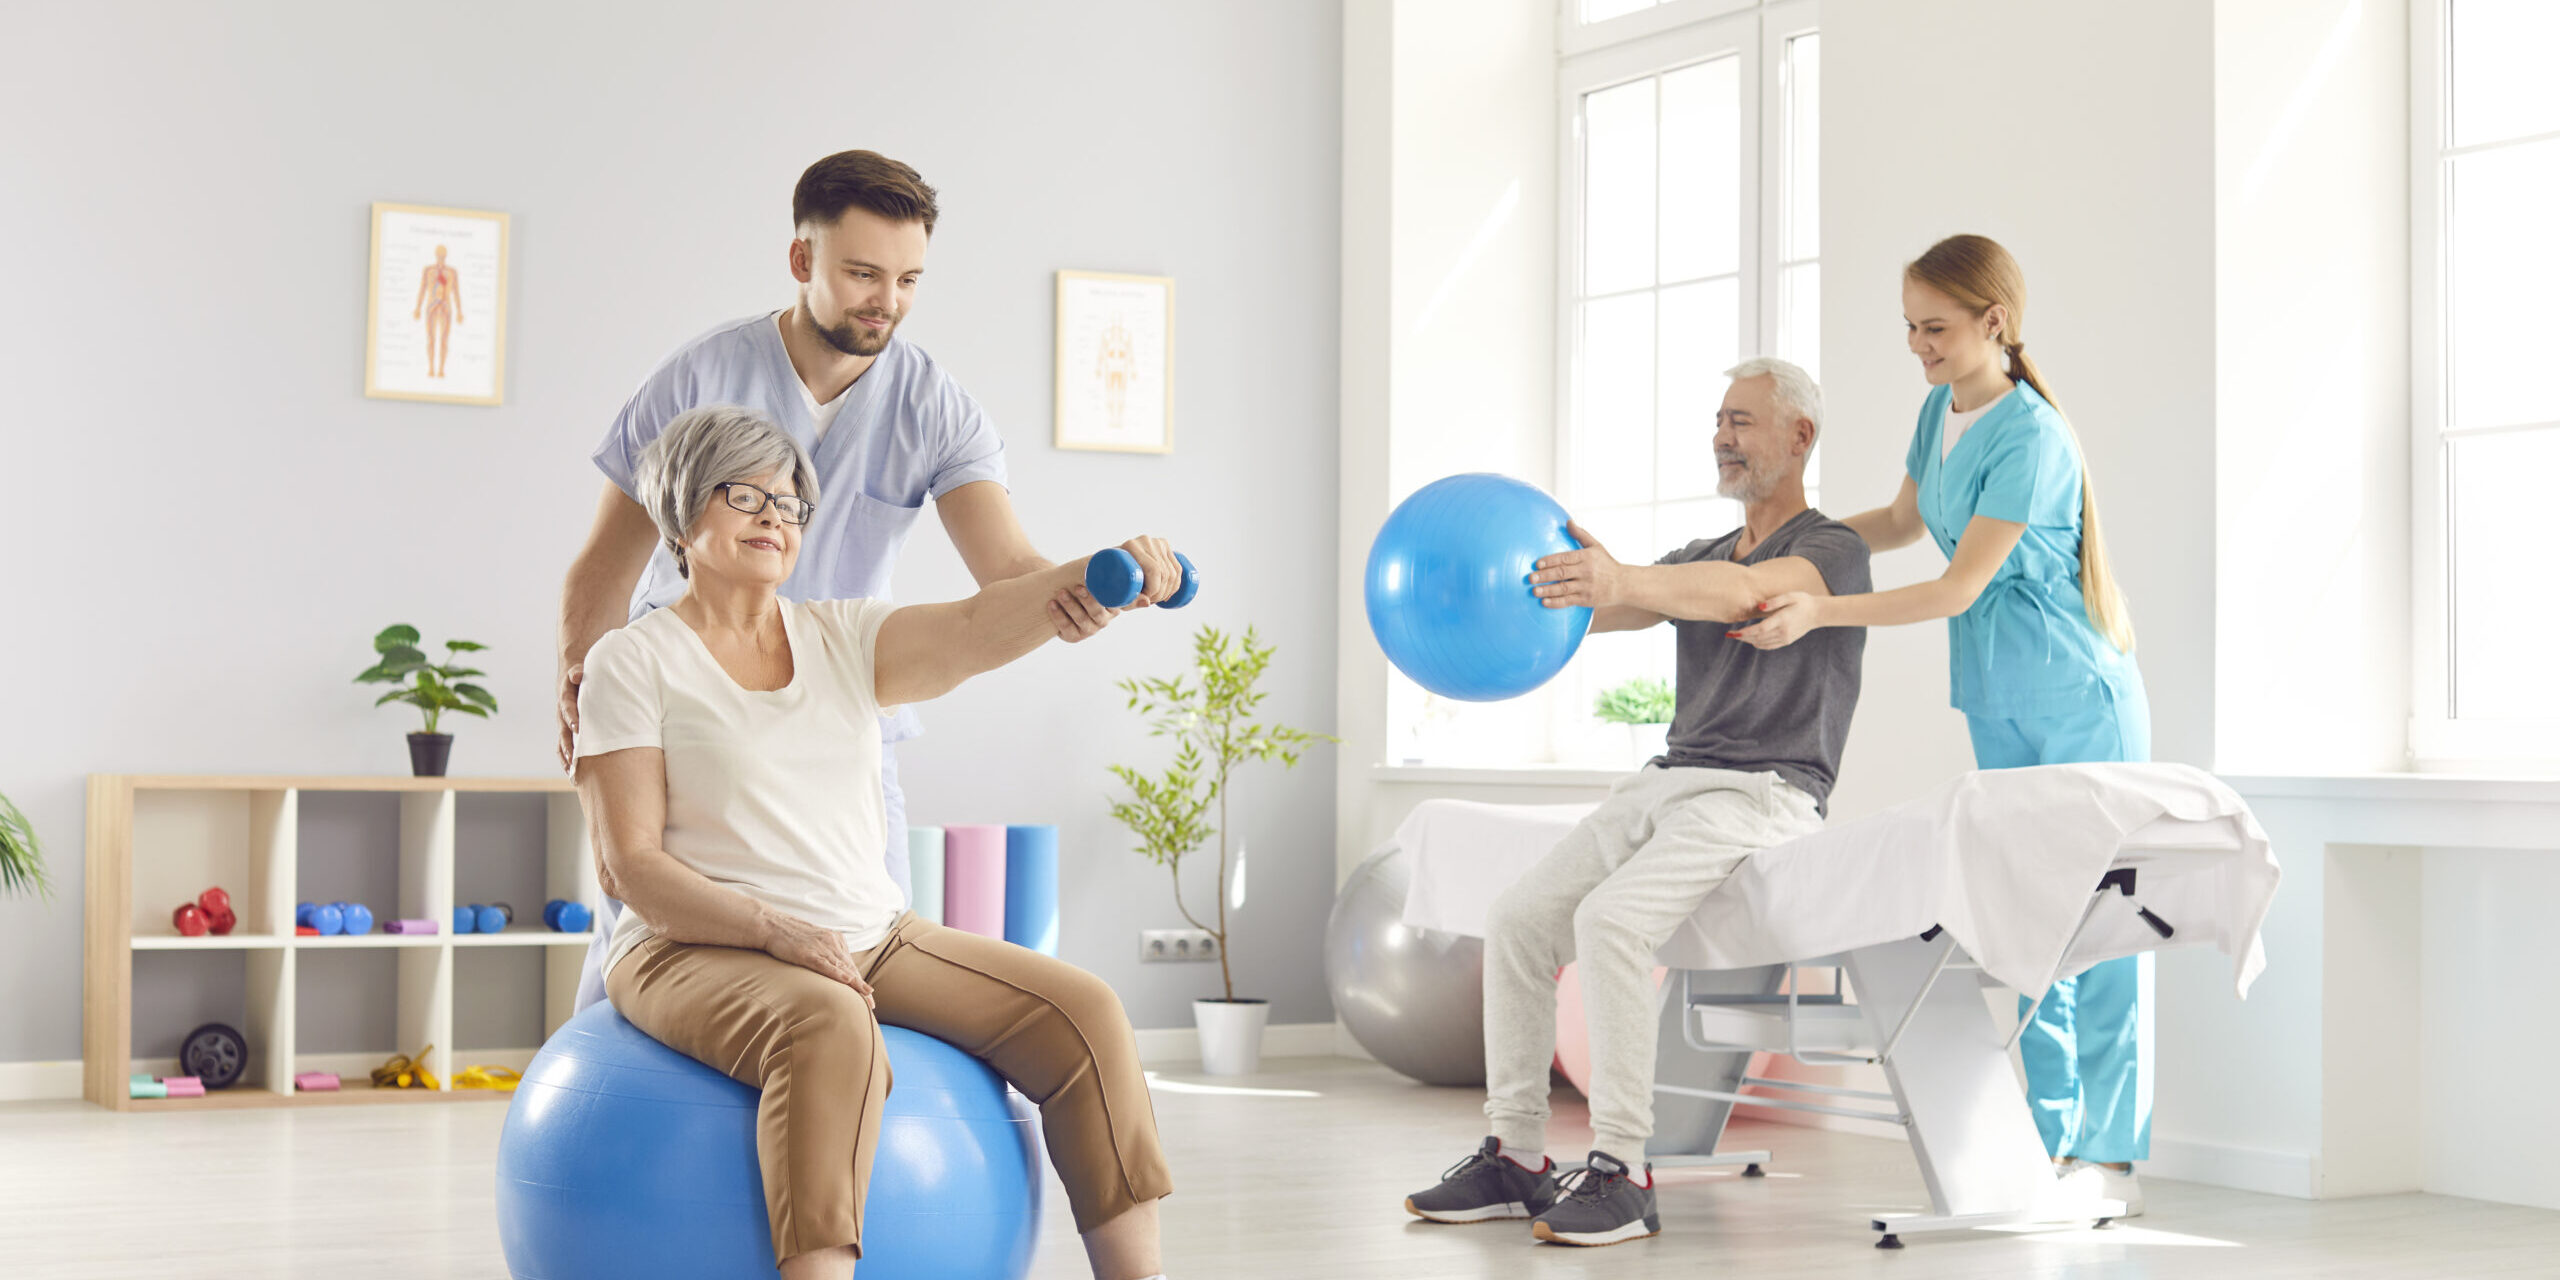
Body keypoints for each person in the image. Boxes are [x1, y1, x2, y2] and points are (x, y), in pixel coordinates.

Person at [557, 149, 1182, 1008]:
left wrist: (1102, 585)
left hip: (844, 711)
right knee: (642, 942)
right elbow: (603, 562)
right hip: (686, 705)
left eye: (908, 279)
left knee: (869, 955)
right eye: (861, 273)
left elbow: (1009, 574)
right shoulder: (698, 377)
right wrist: (580, 688)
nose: (885, 301)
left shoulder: (936, 406)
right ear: (802, 260)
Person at [576, 405, 1177, 1280]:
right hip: (687, 945)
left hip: (867, 933)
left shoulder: (845, 638)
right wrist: (775, 931)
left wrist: (1093, 578)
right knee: (829, 1021)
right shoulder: (631, 661)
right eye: (747, 496)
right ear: (681, 511)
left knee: (1084, 1014)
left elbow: (979, 626)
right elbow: (629, 867)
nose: (775, 519)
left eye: (789, 504)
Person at [1401, 358, 1870, 1246]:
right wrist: (1547, 586)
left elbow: (1745, 594)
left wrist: (1621, 581)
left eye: (1742, 420)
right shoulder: (1698, 557)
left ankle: (1624, 1171)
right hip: (1670, 779)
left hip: (1766, 789)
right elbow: (1610, 607)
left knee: (1611, 922)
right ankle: (1517, 1155)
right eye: (1719, 421)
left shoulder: (1834, 550)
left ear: (1801, 437)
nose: (1723, 436)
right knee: (1518, 918)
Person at [1739, 234, 2153, 1213]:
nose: (1916, 345)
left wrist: (1819, 608)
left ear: (1992, 323)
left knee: (2097, 925)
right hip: (1998, 697)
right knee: (2027, 922)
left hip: (2078, 697)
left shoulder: (2034, 438)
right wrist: (1792, 544)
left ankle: (2114, 1157)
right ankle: (2047, 1145)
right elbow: (1895, 522)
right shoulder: (1939, 412)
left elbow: (1954, 584)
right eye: (1909, 327)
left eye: (1933, 327)